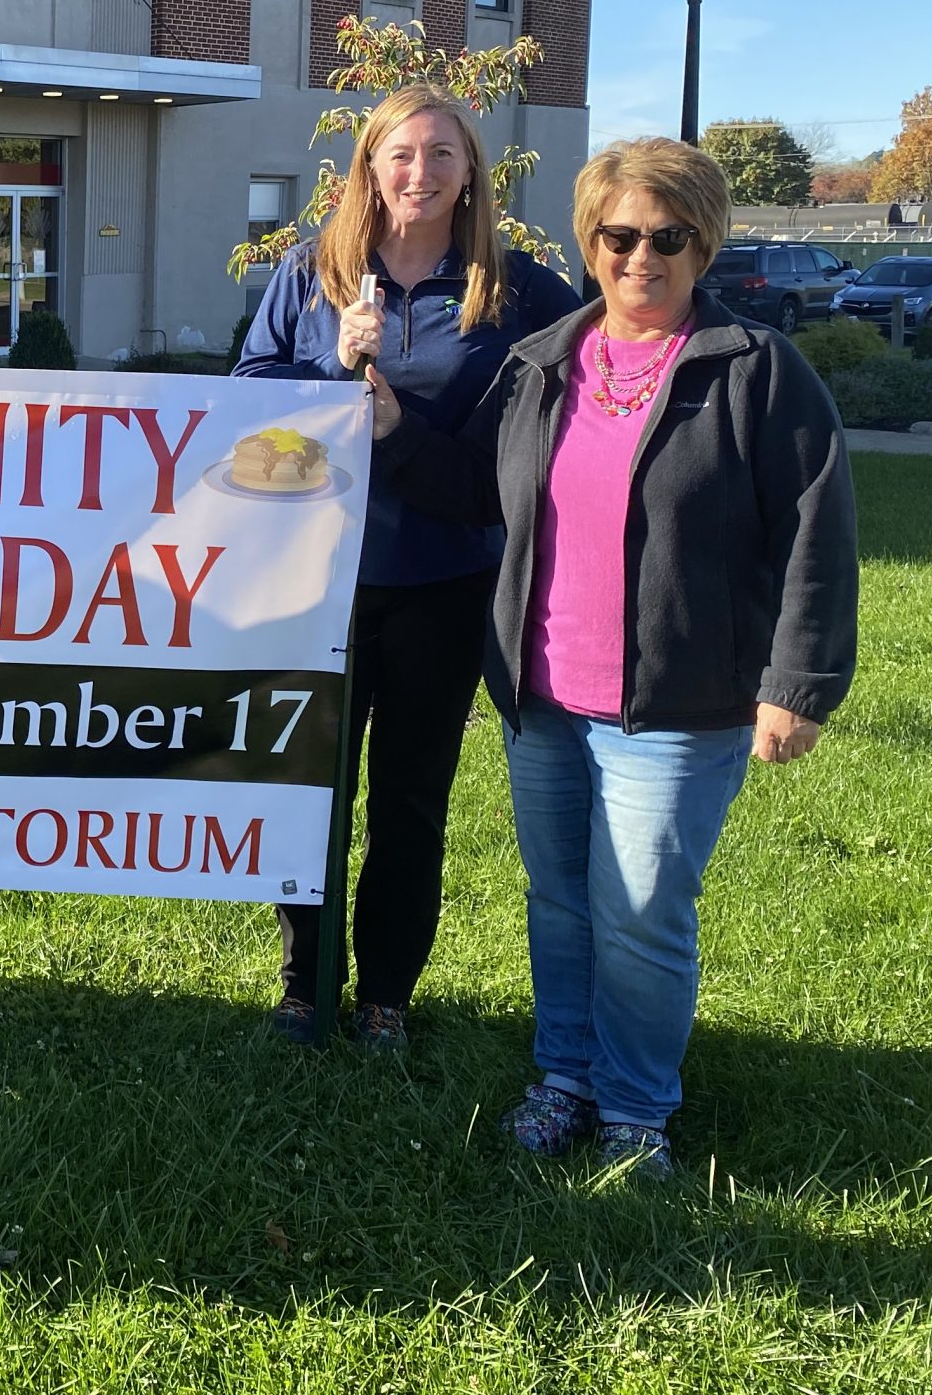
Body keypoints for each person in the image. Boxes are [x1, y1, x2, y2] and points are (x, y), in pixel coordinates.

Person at [365, 137, 857, 1177]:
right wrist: (393, 429)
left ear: (702, 243)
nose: (642, 257)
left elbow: (816, 529)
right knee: (559, 901)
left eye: (667, 237)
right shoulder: (543, 361)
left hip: (678, 703)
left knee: (638, 918)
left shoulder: (756, 371)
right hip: (543, 694)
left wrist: (797, 684)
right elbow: (474, 494)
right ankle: (563, 1079)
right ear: (590, 244)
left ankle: (636, 1111)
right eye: (619, 235)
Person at [234, 84, 580, 1051]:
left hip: (443, 579)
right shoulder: (313, 271)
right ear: (369, 168)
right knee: (310, 791)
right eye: (399, 154)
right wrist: (329, 376)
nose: (418, 173)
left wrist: (393, 422)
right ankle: (305, 986)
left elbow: (537, 439)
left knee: (409, 799)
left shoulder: (517, 292)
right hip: (316, 584)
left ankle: (385, 991)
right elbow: (247, 398)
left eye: (439, 154)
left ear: (471, 170)